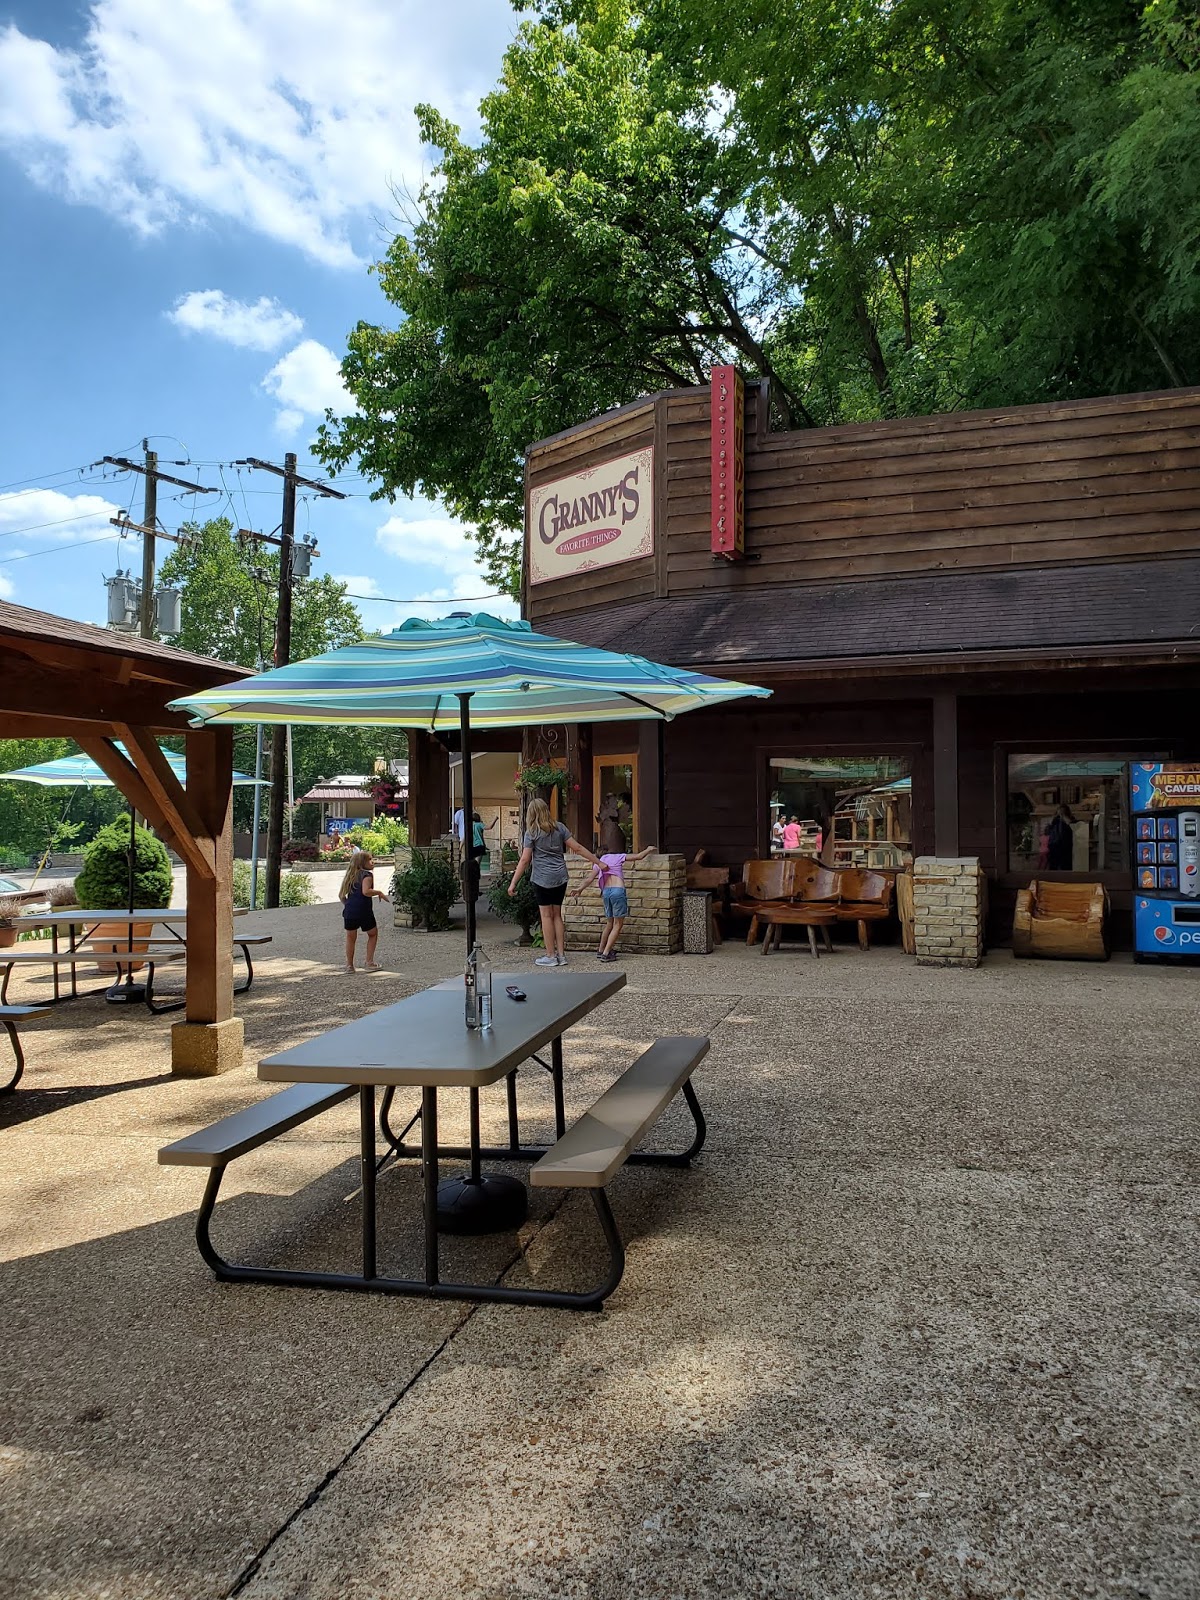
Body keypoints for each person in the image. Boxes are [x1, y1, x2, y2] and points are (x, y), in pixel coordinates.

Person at [508, 797, 602, 966]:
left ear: (531, 813)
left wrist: (513, 882)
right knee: (557, 915)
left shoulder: (532, 833)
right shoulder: (560, 828)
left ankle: (550, 956)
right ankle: (561, 955)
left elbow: (524, 860)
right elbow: (578, 848)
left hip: (542, 878)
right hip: (560, 876)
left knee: (546, 915)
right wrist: (598, 862)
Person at [591, 845, 657, 961]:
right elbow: (638, 856)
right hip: (617, 890)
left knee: (609, 923)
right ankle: (606, 954)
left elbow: (589, 878)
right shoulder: (617, 856)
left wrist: (579, 889)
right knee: (618, 924)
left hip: (606, 892)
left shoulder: (599, 862)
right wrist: (648, 849)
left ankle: (601, 949)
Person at [339, 850, 388, 973]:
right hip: (364, 910)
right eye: (370, 860)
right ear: (362, 863)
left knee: (350, 937)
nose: (373, 862)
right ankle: (369, 962)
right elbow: (366, 891)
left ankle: (349, 965)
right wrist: (379, 893)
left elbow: (341, 896)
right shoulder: (367, 875)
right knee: (372, 933)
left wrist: (349, 906)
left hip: (350, 912)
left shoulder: (350, 876)